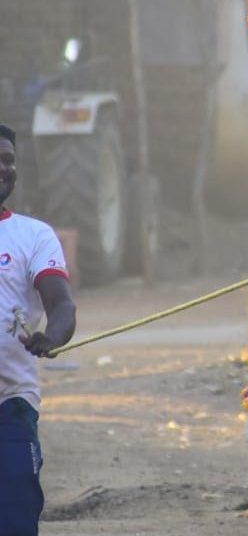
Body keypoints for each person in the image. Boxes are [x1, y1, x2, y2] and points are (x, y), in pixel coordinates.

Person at [0, 123, 77, 535]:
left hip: (10, 405)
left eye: (8, 160)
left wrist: (55, 334)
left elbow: (61, 302)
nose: (3, 168)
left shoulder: (33, 235)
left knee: (14, 518)